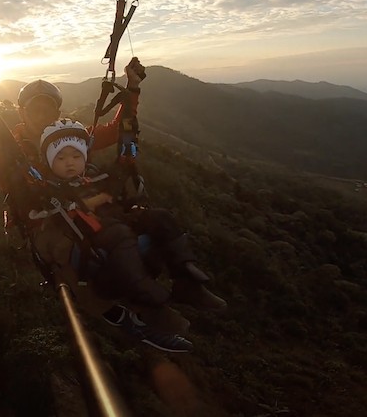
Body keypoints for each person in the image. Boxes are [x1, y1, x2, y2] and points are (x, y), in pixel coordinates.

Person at [0, 59, 214, 352]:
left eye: (48, 108)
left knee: (144, 225)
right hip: (41, 221)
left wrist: (132, 89)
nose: (41, 115)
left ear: (57, 111)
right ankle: (131, 317)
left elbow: (116, 130)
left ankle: (184, 282)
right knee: (82, 256)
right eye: (35, 109)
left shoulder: (65, 137)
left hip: (85, 208)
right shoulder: (6, 146)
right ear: (22, 112)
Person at [33, 119, 227, 328]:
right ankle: (150, 303)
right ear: (50, 163)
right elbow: (57, 210)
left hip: (118, 218)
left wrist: (126, 140)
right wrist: (96, 200)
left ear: (85, 157)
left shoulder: (95, 174)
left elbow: (119, 174)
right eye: (60, 158)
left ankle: (187, 282)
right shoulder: (52, 188)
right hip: (93, 231)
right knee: (121, 234)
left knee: (160, 218)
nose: (69, 162)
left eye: (75, 156)